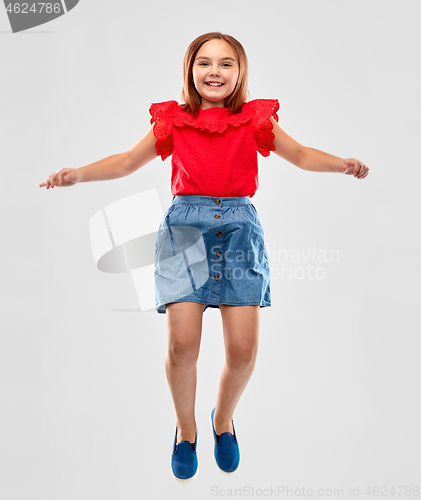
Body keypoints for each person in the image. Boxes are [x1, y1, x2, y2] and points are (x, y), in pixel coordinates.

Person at [39, 32, 369, 484]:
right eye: (205, 63)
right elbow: (126, 161)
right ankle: (187, 430)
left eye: (226, 63)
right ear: (190, 70)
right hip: (185, 230)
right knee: (181, 345)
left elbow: (301, 154)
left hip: (239, 229)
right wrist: (77, 174)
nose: (214, 71)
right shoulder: (175, 121)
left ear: (240, 72)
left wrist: (341, 163)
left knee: (244, 350)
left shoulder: (255, 120)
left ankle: (222, 419)